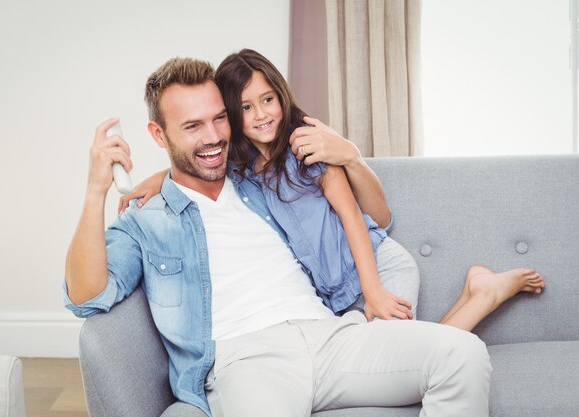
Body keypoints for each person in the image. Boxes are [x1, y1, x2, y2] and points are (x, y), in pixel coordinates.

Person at [64, 56, 540, 417]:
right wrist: (95, 193)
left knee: (462, 354)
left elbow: (369, 212)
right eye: (192, 126)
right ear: (158, 134)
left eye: (218, 118)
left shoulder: (257, 177)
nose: (212, 136)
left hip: (330, 334)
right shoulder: (144, 222)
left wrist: (349, 154)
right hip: (247, 359)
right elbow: (87, 295)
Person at [117, 49, 545, 330]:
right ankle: (479, 289)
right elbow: (196, 162)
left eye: (268, 99)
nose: (262, 114)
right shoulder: (239, 168)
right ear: (230, 115)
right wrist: (156, 180)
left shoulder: (308, 147)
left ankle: (485, 294)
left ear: (282, 96)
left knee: (398, 358)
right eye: (245, 108)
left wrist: (374, 289)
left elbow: (355, 218)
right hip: (334, 295)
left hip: (376, 269)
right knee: (397, 360)